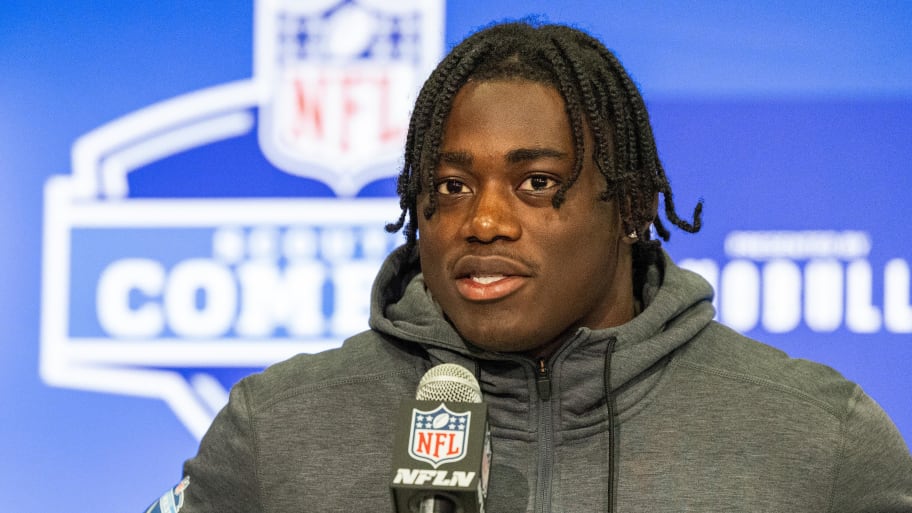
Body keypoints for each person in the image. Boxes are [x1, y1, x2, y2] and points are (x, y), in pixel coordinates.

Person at [149, 21, 912, 512]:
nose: (483, 220)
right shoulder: (278, 431)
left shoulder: (817, 440)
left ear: (632, 206)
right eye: (451, 186)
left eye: (536, 183)